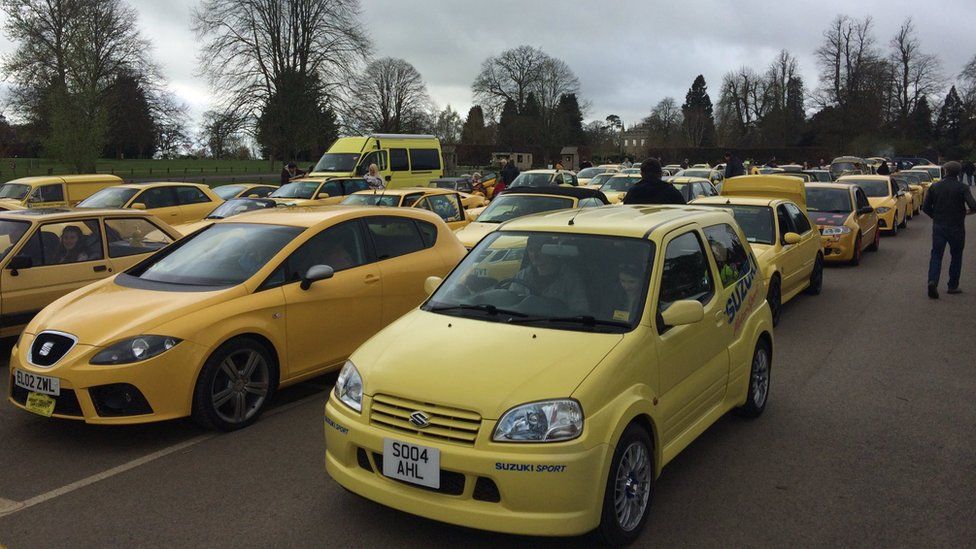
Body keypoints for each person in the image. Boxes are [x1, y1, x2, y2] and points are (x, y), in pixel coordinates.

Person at [922, 161, 976, 298]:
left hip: (939, 225)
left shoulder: (935, 187)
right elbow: (973, 205)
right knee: (956, 256)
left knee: (936, 255)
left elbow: (925, 207)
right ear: (958, 173)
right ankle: (952, 286)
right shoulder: (962, 187)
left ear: (945, 171)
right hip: (957, 226)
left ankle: (932, 281)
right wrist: (967, 212)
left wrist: (936, 216)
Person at [513, 236, 588, 313]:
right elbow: (512, 302)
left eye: (539, 250)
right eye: (531, 250)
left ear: (551, 251)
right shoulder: (522, 276)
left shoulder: (570, 279)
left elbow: (580, 311)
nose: (534, 255)